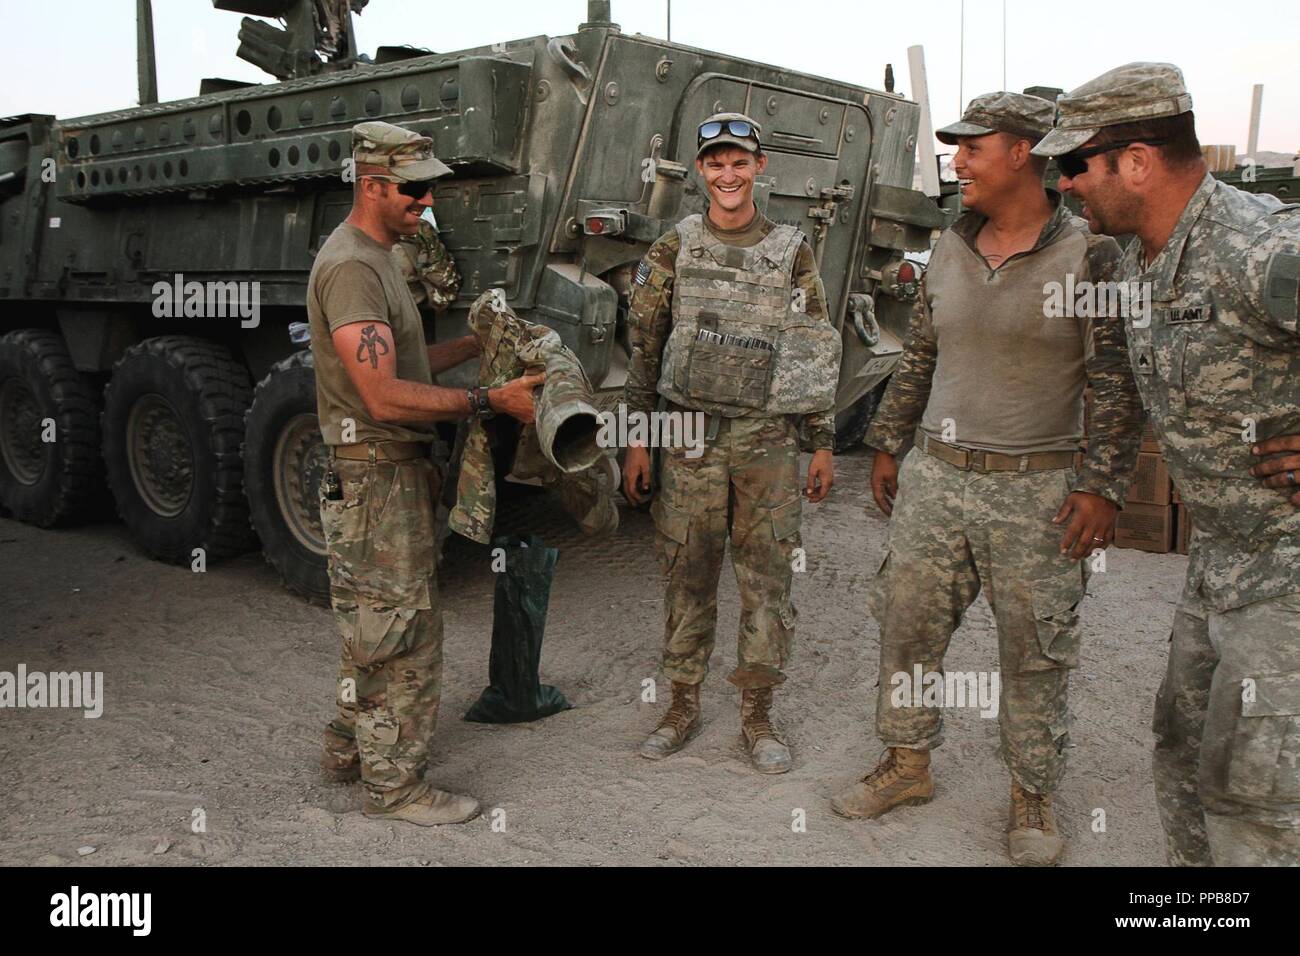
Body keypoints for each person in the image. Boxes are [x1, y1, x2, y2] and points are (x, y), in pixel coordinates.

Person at [831, 93, 1142, 866]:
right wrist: (889, 442)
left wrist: (1102, 484)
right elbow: (921, 355)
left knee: (1034, 648)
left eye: (974, 147)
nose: (959, 161)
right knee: (907, 627)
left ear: (1023, 154)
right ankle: (907, 765)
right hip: (938, 477)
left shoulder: (1090, 254)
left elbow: (1115, 380)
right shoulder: (948, 247)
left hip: (1037, 488)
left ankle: (1031, 795)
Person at [1034, 62, 1300, 866]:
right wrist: (1103, 481)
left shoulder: (1261, 251)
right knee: (1183, 747)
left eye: (1076, 166)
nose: (1067, 186)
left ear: (1137, 162)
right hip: (1220, 555)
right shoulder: (1132, 263)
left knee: (1255, 788)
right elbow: (1120, 380)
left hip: (1288, 565)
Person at [309, 121, 541, 826]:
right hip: (377, 475)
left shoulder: (382, 256)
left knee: (370, 626)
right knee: (403, 636)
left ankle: (348, 746)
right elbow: (381, 394)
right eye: (414, 189)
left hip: (383, 473)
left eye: (431, 187)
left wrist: (476, 344)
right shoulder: (352, 266)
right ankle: (396, 787)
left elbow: (400, 366)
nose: (427, 201)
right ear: (372, 185)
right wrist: (485, 400)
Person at [622, 113, 841, 773]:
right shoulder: (674, 247)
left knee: (767, 578)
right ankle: (681, 704)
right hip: (687, 432)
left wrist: (822, 440)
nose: (727, 174)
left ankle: (758, 716)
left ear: (759, 168)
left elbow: (813, 347)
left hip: (766, 439)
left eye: (739, 162)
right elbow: (646, 347)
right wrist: (637, 438)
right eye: (716, 163)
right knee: (686, 570)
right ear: (701, 172)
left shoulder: (792, 249)